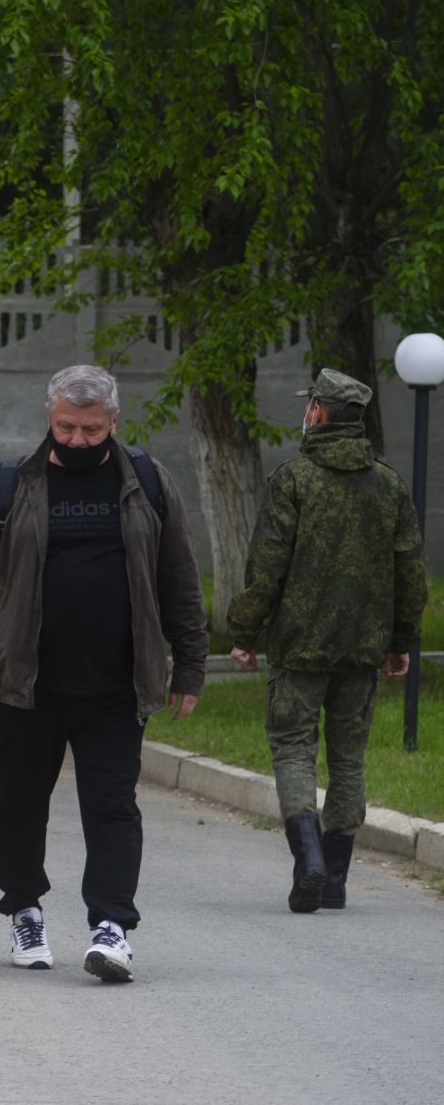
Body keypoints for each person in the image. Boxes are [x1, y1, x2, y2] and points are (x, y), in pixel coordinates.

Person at [0, 364, 208, 981]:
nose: (77, 439)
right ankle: (24, 909)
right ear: (49, 418)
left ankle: (111, 927)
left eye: (89, 428)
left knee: (112, 806)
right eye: (65, 427)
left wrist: (190, 663)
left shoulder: (149, 484)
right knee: (21, 805)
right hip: (29, 685)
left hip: (116, 685)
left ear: (114, 421)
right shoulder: (11, 485)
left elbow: (179, 580)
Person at [227, 368, 425, 912]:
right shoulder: (388, 484)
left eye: (308, 404)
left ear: (316, 412)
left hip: (298, 646)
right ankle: (335, 877)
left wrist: (244, 631)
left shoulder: (293, 479)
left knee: (293, 749)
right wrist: (400, 640)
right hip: (362, 649)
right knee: (349, 759)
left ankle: (308, 861)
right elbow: (411, 571)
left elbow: (266, 569)